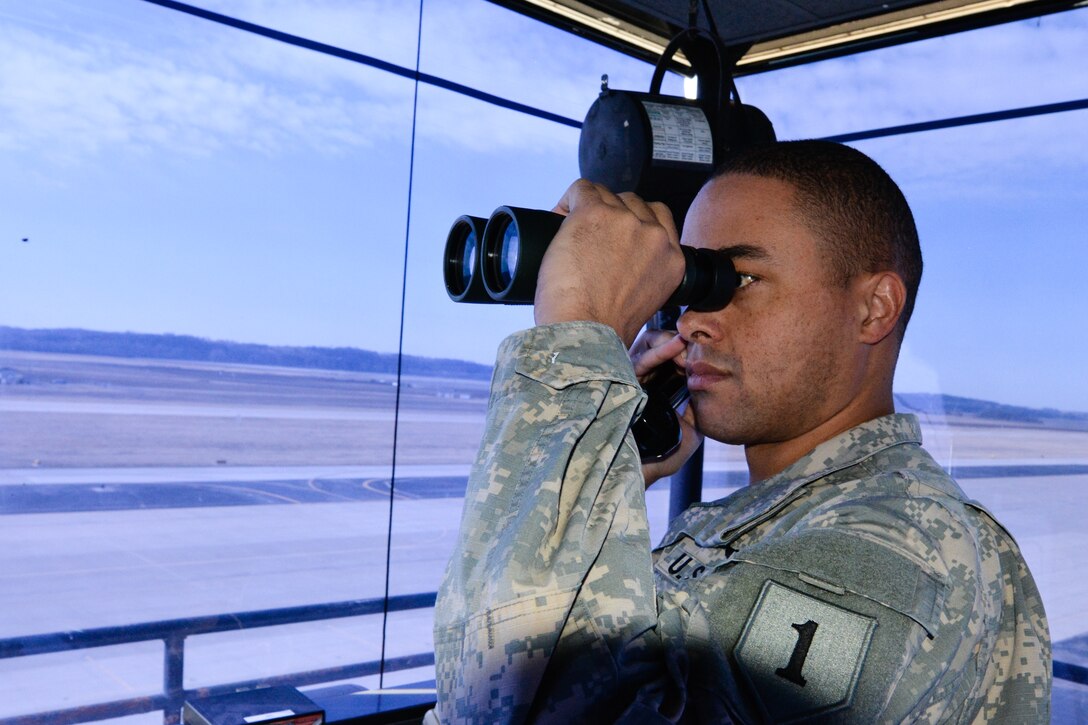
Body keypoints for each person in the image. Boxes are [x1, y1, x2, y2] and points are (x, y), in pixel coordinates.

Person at [427, 141, 1051, 723]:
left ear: (874, 308)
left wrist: (576, 353)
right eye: (692, 281)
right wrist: (607, 457)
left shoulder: (892, 550)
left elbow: (523, 702)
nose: (692, 321)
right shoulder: (763, 518)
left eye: (741, 280)